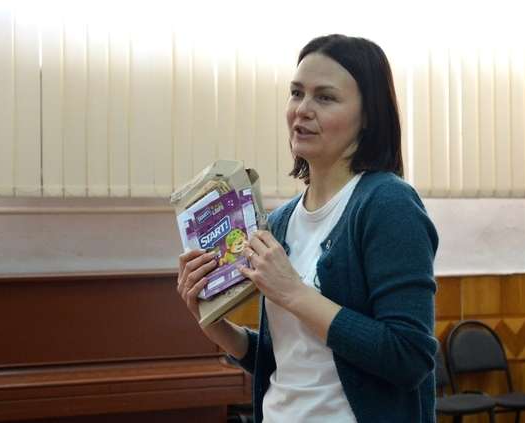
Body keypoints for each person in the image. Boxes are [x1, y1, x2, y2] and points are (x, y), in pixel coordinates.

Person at [177, 34, 439, 423]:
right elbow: (292, 361)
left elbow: (408, 357)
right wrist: (217, 327)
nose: (302, 109)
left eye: (325, 97)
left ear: (368, 116)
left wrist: (293, 293)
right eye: (296, 93)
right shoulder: (280, 221)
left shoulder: (388, 204)